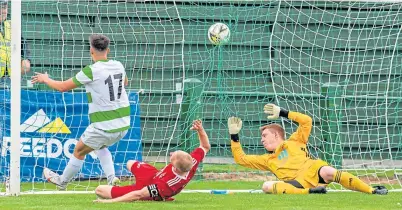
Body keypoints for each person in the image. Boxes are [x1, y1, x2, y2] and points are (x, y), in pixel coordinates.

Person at [32, 34, 130, 190]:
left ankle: (62, 181)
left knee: (79, 150)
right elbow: (124, 82)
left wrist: (45, 79)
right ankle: (112, 179)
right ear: (108, 50)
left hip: (104, 125)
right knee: (99, 146)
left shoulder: (91, 70)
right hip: (124, 124)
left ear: (91, 50)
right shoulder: (118, 65)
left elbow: (63, 87)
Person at [228, 103, 388, 195]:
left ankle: (372, 190)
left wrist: (283, 113)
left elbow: (306, 121)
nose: (262, 139)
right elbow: (240, 159)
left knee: (329, 171)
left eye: (265, 135)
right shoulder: (267, 160)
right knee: (266, 186)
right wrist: (234, 136)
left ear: (276, 135)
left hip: (313, 170)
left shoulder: (295, 140)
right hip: (297, 183)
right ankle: (311, 192)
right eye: (261, 137)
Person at [93, 119, 210, 203]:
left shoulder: (166, 185)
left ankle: (121, 187)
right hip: (154, 175)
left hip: (148, 188)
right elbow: (205, 146)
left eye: (172, 156)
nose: (171, 153)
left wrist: (109, 202)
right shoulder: (192, 162)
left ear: (174, 167)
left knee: (100, 190)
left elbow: (138, 195)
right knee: (130, 163)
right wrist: (200, 130)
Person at [0, 0, 31, 82]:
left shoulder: (11, 25)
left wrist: (27, 59)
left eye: (4, 8)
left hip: (11, 76)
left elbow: (23, 42)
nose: (2, 11)